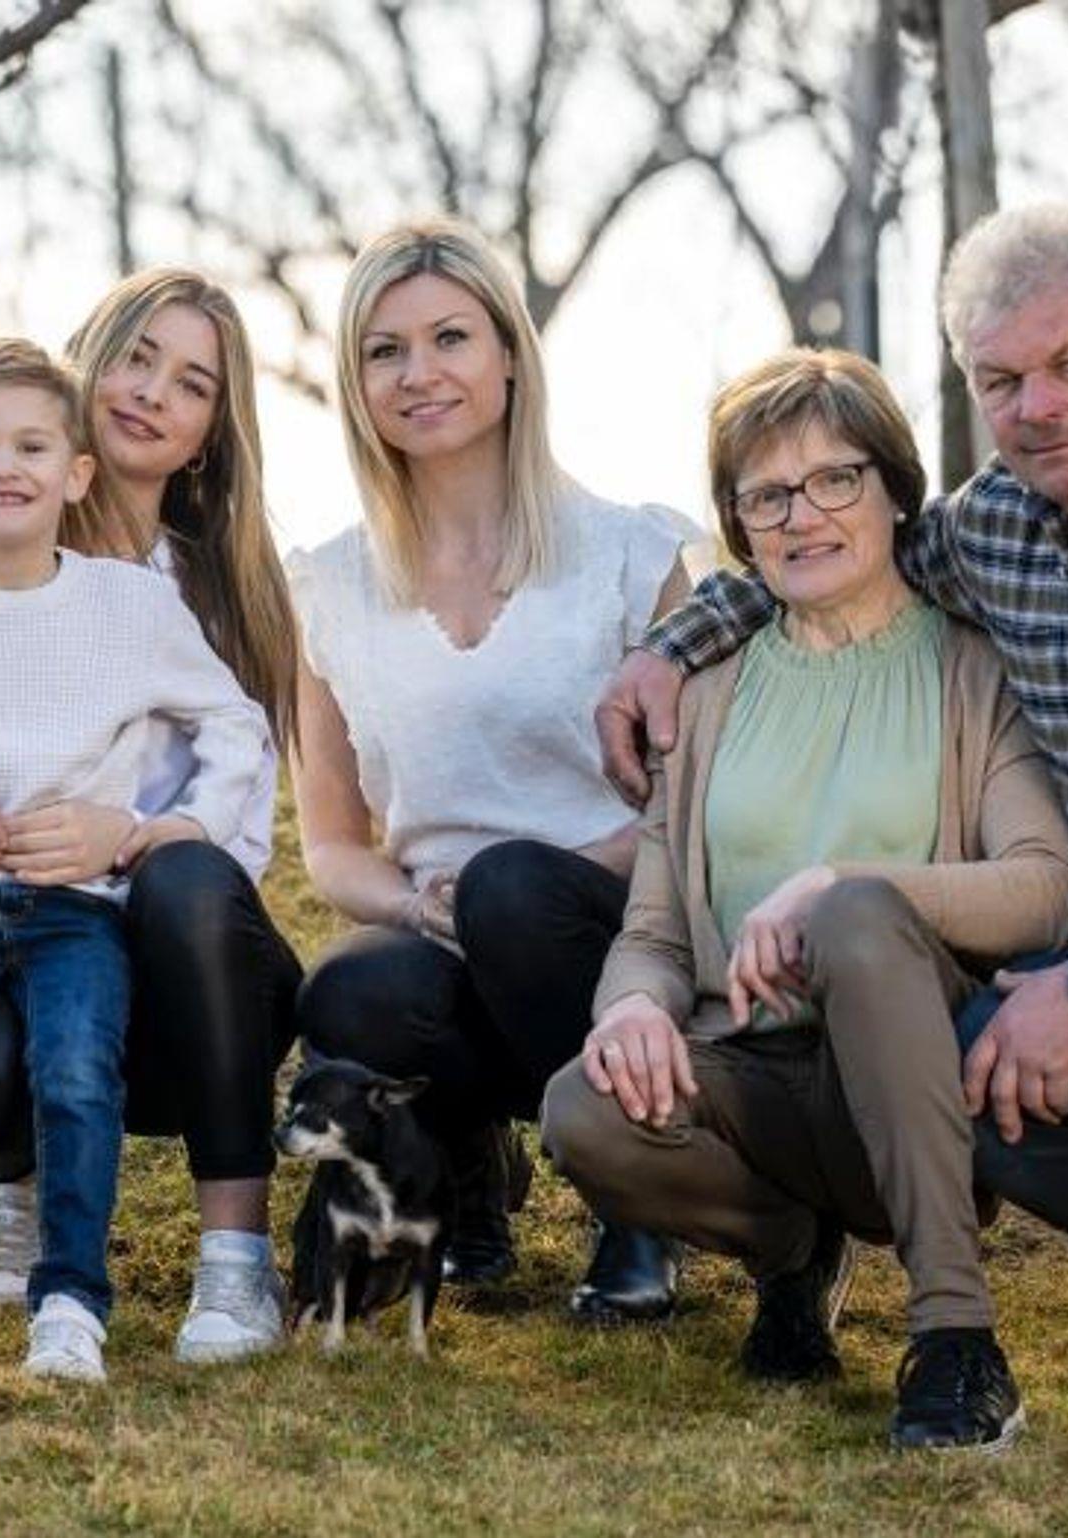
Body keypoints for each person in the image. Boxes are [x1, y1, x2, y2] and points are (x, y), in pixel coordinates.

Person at [599, 201, 1068, 1474]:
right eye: (999, 381)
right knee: (985, 1058)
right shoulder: (1001, 520)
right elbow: (837, 549)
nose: (1035, 406)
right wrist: (668, 647)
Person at [541, 349, 1068, 1451]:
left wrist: (846, 885)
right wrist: (631, 1009)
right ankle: (790, 1255)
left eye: (836, 478)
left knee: (855, 917)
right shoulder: (702, 695)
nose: (803, 516)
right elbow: (653, 932)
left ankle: (957, 1337)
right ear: (740, 527)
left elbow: (1048, 890)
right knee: (579, 1109)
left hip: (905, 1086)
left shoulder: (974, 671)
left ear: (894, 491)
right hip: (746, 1077)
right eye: (767, 496)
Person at [0, 267, 302, 1364]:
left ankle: (234, 1257)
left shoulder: (203, 591)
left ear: (209, 432)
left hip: (165, 968)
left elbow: (236, 840)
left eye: (191, 384)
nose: (152, 393)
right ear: (89, 365)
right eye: (135, 358)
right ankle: (13, 1191)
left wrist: (126, 835)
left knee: (178, 887)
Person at [287, 215, 698, 1319]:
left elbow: (697, 803)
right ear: (356, 382)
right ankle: (462, 1173)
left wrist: (535, 881)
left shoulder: (630, 554)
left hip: (606, 936)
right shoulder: (328, 586)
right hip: (449, 943)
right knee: (347, 990)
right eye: (384, 350)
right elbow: (330, 844)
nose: (418, 373)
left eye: (451, 338)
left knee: (515, 888)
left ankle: (637, 1196)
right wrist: (416, 905)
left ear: (510, 355)